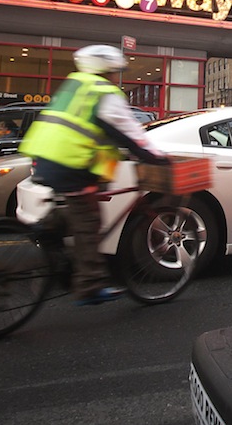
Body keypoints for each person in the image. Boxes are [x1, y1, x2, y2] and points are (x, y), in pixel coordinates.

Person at [20, 45, 168, 306]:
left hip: (44, 155)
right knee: (89, 219)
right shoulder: (105, 92)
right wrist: (156, 157)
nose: (115, 77)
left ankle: (47, 231)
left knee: (75, 206)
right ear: (106, 70)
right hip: (71, 162)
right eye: (114, 72)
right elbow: (128, 131)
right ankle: (89, 284)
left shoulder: (75, 83)